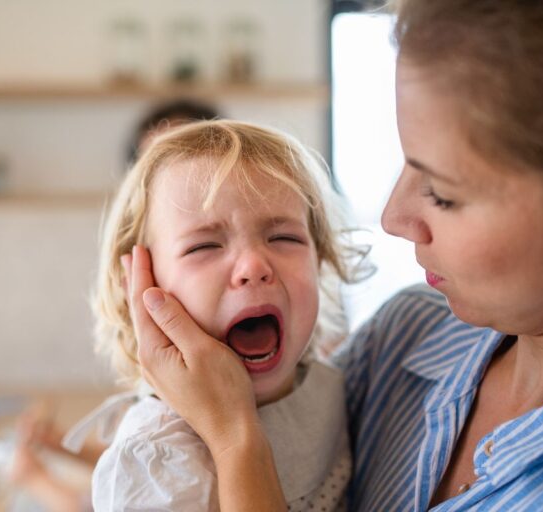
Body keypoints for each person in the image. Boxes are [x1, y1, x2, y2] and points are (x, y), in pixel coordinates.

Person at [123, 0, 543, 510]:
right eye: (406, 162)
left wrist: (236, 440)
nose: (393, 216)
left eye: (443, 192)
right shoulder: (408, 332)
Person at [66, 119, 363, 511]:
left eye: (284, 238)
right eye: (204, 246)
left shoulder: (330, 385)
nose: (254, 266)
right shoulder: (157, 458)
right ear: (140, 286)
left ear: (320, 260)